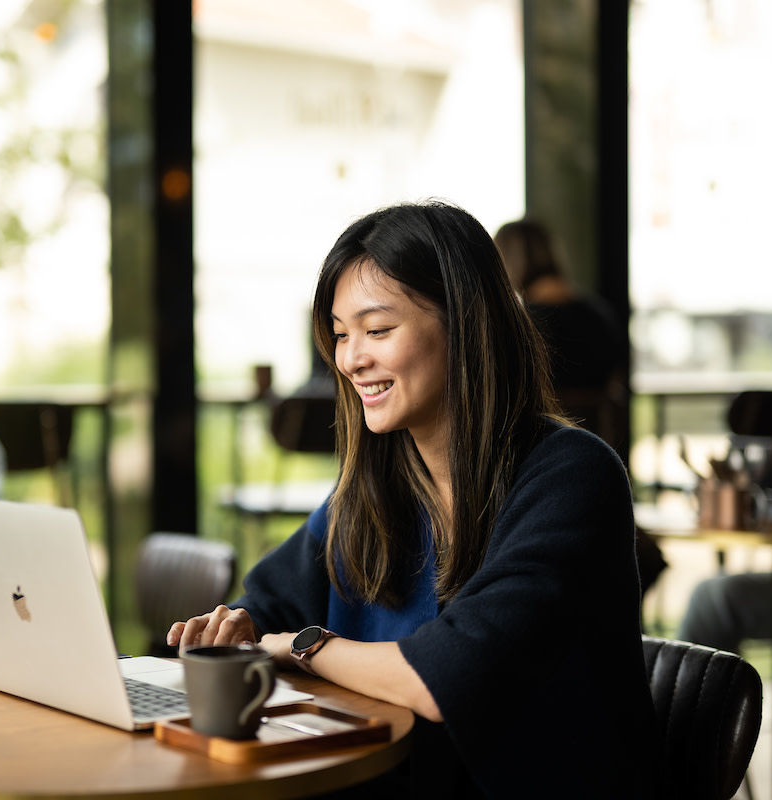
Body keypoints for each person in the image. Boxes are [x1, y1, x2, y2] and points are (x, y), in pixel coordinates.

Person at [167, 201, 658, 798]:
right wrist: (239, 630)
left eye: (377, 330)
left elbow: (444, 678)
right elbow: (268, 605)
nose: (351, 359)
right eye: (341, 335)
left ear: (466, 325)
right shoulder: (374, 490)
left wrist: (306, 646)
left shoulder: (571, 475)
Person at [493, 217, 627, 447]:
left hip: (538, 450)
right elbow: (616, 384)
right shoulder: (600, 315)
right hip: (601, 445)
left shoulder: (518, 325)